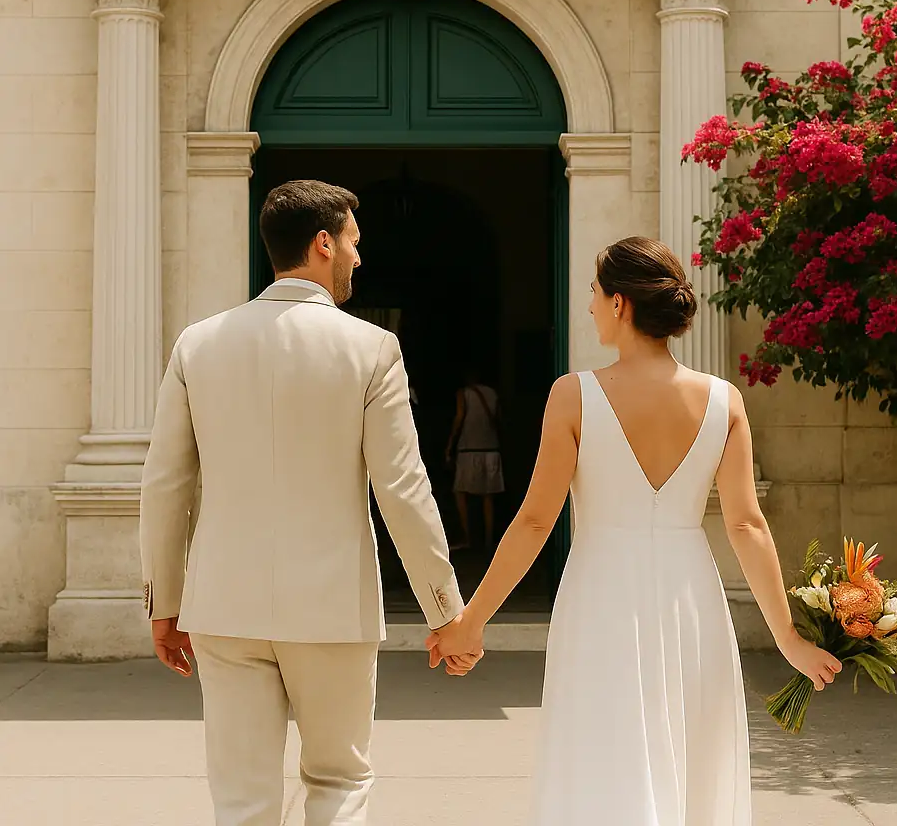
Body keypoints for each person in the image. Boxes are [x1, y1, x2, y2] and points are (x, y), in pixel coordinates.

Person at [427, 236, 842, 825]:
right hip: (690, 597)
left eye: (595, 293)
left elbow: (537, 520)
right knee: (690, 753)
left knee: (601, 753)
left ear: (620, 304)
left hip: (601, 595)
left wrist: (471, 621)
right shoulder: (724, 401)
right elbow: (747, 523)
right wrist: (789, 640)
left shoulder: (573, 394)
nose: (590, 306)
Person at [139, 179, 478, 826]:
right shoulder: (372, 348)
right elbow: (402, 488)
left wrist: (167, 602)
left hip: (225, 604)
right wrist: (446, 608)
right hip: (331, 608)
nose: (359, 256)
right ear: (323, 243)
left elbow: (165, 484)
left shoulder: (198, 344)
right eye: (354, 240)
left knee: (241, 799)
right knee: (339, 783)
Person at [445, 367, 505, 551]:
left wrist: (449, 446)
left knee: (460, 492)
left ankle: (467, 537)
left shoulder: (464, 393)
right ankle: (488, 540)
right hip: (491, 449)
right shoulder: (493, 394)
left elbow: (459, 417)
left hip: (469, 450)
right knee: (488, 496)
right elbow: (499, 418)